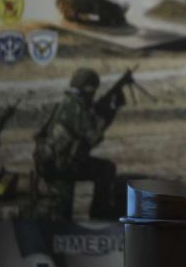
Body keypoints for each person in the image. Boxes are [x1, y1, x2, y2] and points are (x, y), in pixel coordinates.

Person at [34, 68, 123, 219]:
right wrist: (110, 112)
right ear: (88, 89)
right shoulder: (75, 108)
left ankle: (99, 216)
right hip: (60, 168)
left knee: (105, 169)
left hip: (56, 163)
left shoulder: (67, 103)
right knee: (61, 216)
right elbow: (94, 137)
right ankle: (100, 217)